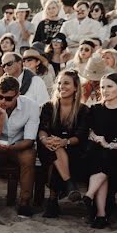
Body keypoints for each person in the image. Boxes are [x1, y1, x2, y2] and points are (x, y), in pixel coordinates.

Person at [0, 75, 41, 216]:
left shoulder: (31, 106)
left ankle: (24, 202)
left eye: (8, 98)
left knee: (29, 156)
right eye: (0, 97)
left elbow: (29, 140)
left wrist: (11, 148)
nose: (3, 101)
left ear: (18, 95)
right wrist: (1, 116)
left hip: (18, 147)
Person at [82, 73, 117, 228]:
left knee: (106, 158)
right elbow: (87, 131)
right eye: (102, 87)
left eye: (109, 86)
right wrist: (95, 137)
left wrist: (110, 145)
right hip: (96, 154)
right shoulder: (95, 109)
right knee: (102, 158)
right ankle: (100, 213)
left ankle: (92, 199)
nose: (105, 90)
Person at [38, 69, 89, 218]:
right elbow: (42, 129)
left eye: (66, 83)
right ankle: (69, 184)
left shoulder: (83, 110)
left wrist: (65, 141)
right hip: (47, 147)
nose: (62, 86)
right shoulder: (49, 106)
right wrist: (44, 139)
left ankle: (53, 201)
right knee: (55, 149)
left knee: (58, 151)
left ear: (75, 87)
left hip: (73, 149)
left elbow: (81, 136)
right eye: (59, 83)